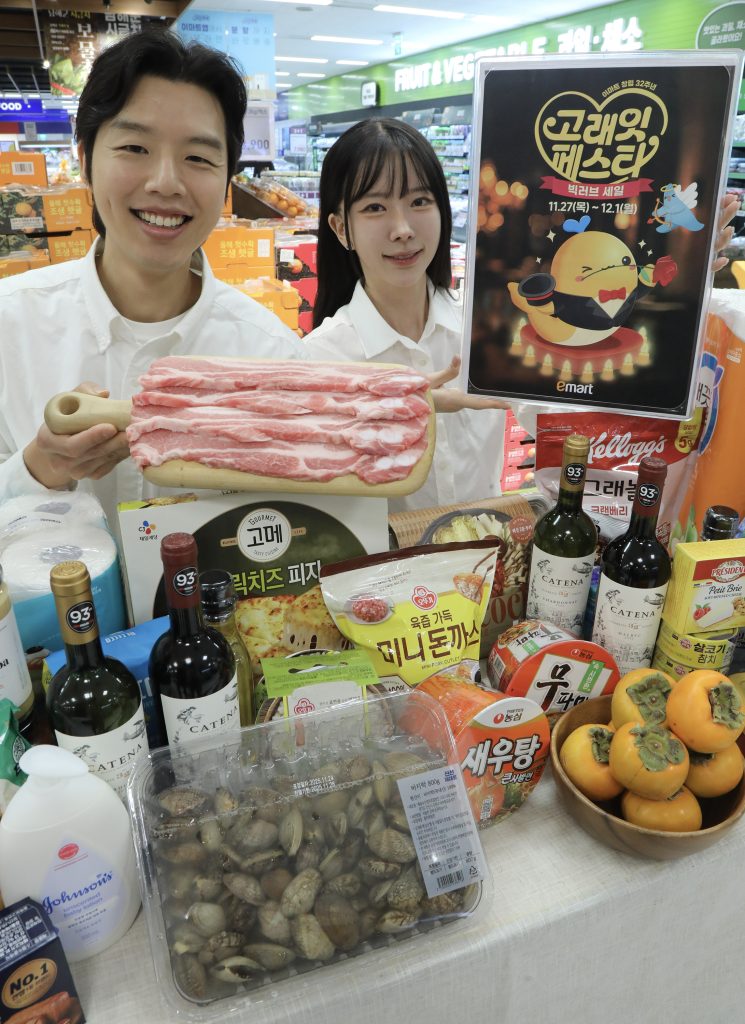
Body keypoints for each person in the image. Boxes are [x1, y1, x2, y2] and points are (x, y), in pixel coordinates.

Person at [0, 30, 303, 529]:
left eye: (198, 157)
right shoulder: (11, 324)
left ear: (226, 179)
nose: (165, 182)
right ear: (85, 162)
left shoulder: (270, 353)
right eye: (135, 147)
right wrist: (39, 469)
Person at [303, 117, 509, 512]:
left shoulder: (485, 330)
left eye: (419, 202)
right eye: (375, 207)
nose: (402, 229)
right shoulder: (320, 361)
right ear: (341, 229)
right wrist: (391, 412)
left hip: (491, 548)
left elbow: (564, 422)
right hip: (383, 554)